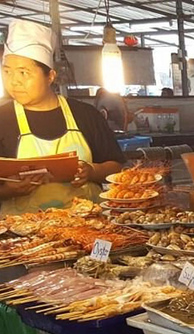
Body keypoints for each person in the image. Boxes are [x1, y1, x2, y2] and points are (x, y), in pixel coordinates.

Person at [0, 20, 125, 215]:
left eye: (24, 73)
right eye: (7, 71)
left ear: (50, 76)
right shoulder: (2, 119)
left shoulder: (85, 115)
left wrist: (92, 171)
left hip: (89, 227)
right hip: (21, 237)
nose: (14, 81)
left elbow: (116, 166)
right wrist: (7, 191)